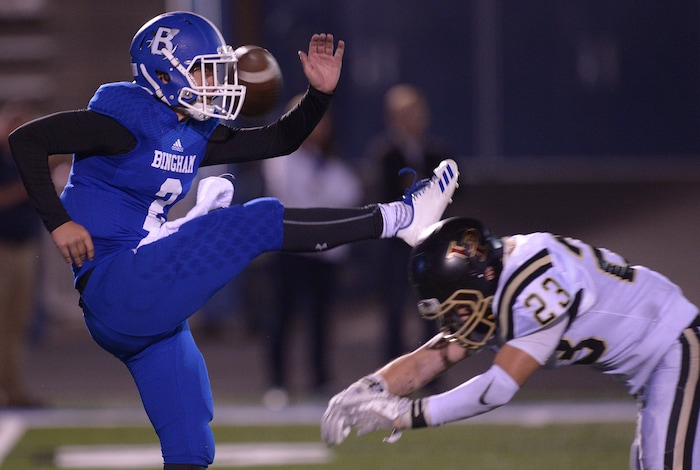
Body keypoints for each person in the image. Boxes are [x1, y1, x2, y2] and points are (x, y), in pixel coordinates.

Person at [8, 11, 458, 470]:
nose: (216, 80)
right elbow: (27, 140)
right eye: (204, 68)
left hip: (140, 301)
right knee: (251, 223)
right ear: (164, 71)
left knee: (191, 446)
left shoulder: (189, 127)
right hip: (121, 284)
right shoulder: (122, 121)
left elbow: (279, 139)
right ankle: (400, 218)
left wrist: (320, 95)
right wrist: (59, 222)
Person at [322, 217, 700, 470]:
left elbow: (499, 388)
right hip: (656, 369)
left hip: (676, 347)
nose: (454, 322)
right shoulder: (493, 287)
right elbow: (431, 358)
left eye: (457, 308)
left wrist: (406, 415)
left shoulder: (533, 283)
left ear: (481, 275)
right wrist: (367, 389)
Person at [261, 94, 363, 406]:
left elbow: (350, 193)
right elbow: (289, 191)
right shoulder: (283, 159)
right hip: (290, 250)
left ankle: (319, 378)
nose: (317, 128)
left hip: (324, 255)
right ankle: (277, 382)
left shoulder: (332, 164)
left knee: (321, 321)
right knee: (282, 318)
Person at [363, 83, 452, 362]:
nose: (412, 119)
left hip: (429, 244)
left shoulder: (436, 152)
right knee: (394, 310)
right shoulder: (386, 154)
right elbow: (385, 195)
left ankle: (433, 371)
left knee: (432, 309)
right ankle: (392, 372)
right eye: (405, 113)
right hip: (396, 245)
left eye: (416, 111)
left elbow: (456, 188)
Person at [0, 101, 43, 408]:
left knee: (16, 323)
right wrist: (25, 188)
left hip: (25, 247)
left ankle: (14, 389)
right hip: (2, 248)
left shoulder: (21, 158)